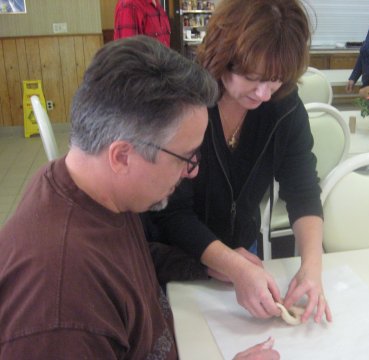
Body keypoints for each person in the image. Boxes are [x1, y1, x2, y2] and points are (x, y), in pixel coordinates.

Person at [0, 36, 279, 359]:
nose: (192, 172)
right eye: (185, 157)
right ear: (121, 157)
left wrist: (210, 267)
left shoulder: (91, 189)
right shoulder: (60, 308)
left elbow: (129, 262)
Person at [143, 0, 333, 325]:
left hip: (244, 251)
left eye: (274, 79)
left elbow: (303, 191)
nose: (263, 94)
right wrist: (230, 263)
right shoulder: (186, 102)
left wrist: (311, 268)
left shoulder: (283, 106)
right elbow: (171, 211)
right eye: (251, 77)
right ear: (223, 56)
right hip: (179, 260)